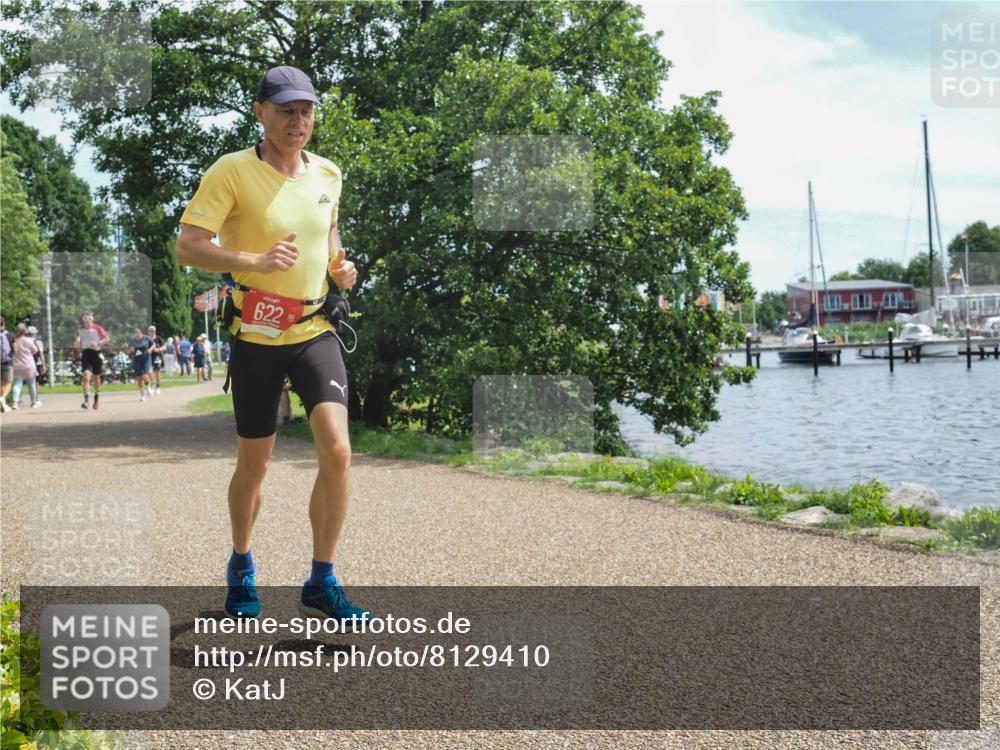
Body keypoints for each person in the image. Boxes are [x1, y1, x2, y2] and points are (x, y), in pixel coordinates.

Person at [175, 65, 366, 625]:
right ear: (259, 111)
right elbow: (188, 246)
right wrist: (252, 263)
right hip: (257, 335)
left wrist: (340, 266)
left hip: (314, 329)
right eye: (285, 110)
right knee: (255, 465)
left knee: (338, 450)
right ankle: (241, 565)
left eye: (305, 110)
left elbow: (328, 237)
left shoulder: (328, 173)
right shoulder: (231, 172)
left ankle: (321, 580)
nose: (297, 120)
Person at [74, 312, 110, 410]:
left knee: (96, 378)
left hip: (96, 354)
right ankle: (86, 400)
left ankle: (96, 397)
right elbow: (78, 338)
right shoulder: (80, 329)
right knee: (86, 377)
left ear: (92, 319)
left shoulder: (98, 328)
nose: (87, 320)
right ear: (83, 319)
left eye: (89, 318)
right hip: (86, 354)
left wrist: (98, 343)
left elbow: (107, 339)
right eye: (85, 318)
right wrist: (76, 342)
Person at [10, 324, 41, 409]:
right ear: (25, 331)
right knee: (31, 384)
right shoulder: (28, 340)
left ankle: (15, 403)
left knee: (17, 384)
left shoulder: (14, 340)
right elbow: (35, 350)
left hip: (17, 365)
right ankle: (34, 402)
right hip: (29, 364)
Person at [128, 327, 153, 401]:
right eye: (136, 335)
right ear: (134, 335)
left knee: (145, 376)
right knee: (139, 378)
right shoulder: (132, 341)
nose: (137, 337)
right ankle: (142, 395)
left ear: (141, 334)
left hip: (146, 359)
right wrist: (131, 350)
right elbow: (129, 351)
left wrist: (150, 349)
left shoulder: (146, 338)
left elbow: (153, 344)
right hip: (137, 360)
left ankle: (148, 388)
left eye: (139, 335)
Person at [0, 316, 14, 412]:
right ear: (3, 323)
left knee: (1, 383)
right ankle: (2, 398)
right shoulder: (10, 335)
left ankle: (3, 404)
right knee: (8, 383)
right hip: (8, 362)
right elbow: (15, 349)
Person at [148, 325, 165, 394]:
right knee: (149, 372)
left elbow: (164, 347)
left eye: (153, 331)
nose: (152, 332)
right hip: (148, 357)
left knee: (157, 372)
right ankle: (152, 384)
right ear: (148, 332)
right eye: (151, 331)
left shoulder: (158, 339)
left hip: (157, 357)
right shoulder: (146, 339)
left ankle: (158, 387)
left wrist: (158, 349)